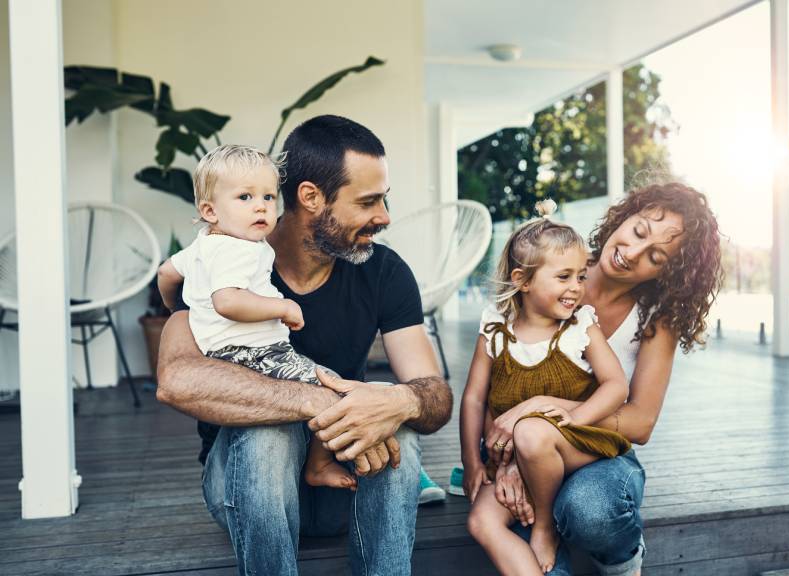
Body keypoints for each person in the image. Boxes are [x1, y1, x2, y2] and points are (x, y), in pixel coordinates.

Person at [156, 115, 453, 576]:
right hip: (245, 490)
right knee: (269, 432)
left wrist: (399, 401)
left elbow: (434, 393)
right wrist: (318, 400)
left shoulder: (384, 271)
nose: (384, 217)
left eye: (384, 199)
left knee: (393, 414)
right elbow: (177, 380)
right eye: (368, 201)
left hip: (343, 487)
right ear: (311, 197)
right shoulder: (221, 259)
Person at [481, 182, 722, 576]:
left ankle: (624, 564)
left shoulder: (655, 319)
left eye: (655, 257)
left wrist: (543, 409)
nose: (633, 252)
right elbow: (494, 381)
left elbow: (640, 423)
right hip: (527, 447)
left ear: (669, 272)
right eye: (639, 231)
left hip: (600, 453)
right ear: (624, 216)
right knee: (522, 538)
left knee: (589, 508)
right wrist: (508, 461)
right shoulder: (551, 264)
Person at [157, 144, 357, 491]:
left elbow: (165, 273)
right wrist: (283, 307)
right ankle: (319, 464)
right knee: (334, 387)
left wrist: (173, 305)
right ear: (209, 210)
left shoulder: (203, 244)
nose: (261, 206)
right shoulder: (240, 249)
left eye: (268, 196)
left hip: (221, 356)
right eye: (245, 197)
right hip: (256, 354)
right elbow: (227, 301)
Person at [461, 200, 632, 574]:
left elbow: (616, 385)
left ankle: (544, 526)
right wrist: (472, 461)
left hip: (577, 444)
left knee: (532, 432)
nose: (576, 288)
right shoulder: (495, 330)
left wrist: (576, 418)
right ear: (522, 280)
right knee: (482, 522)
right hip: (517, 454)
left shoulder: (580, 328)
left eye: (580, 277)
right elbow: (474, 398)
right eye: (564, 276)